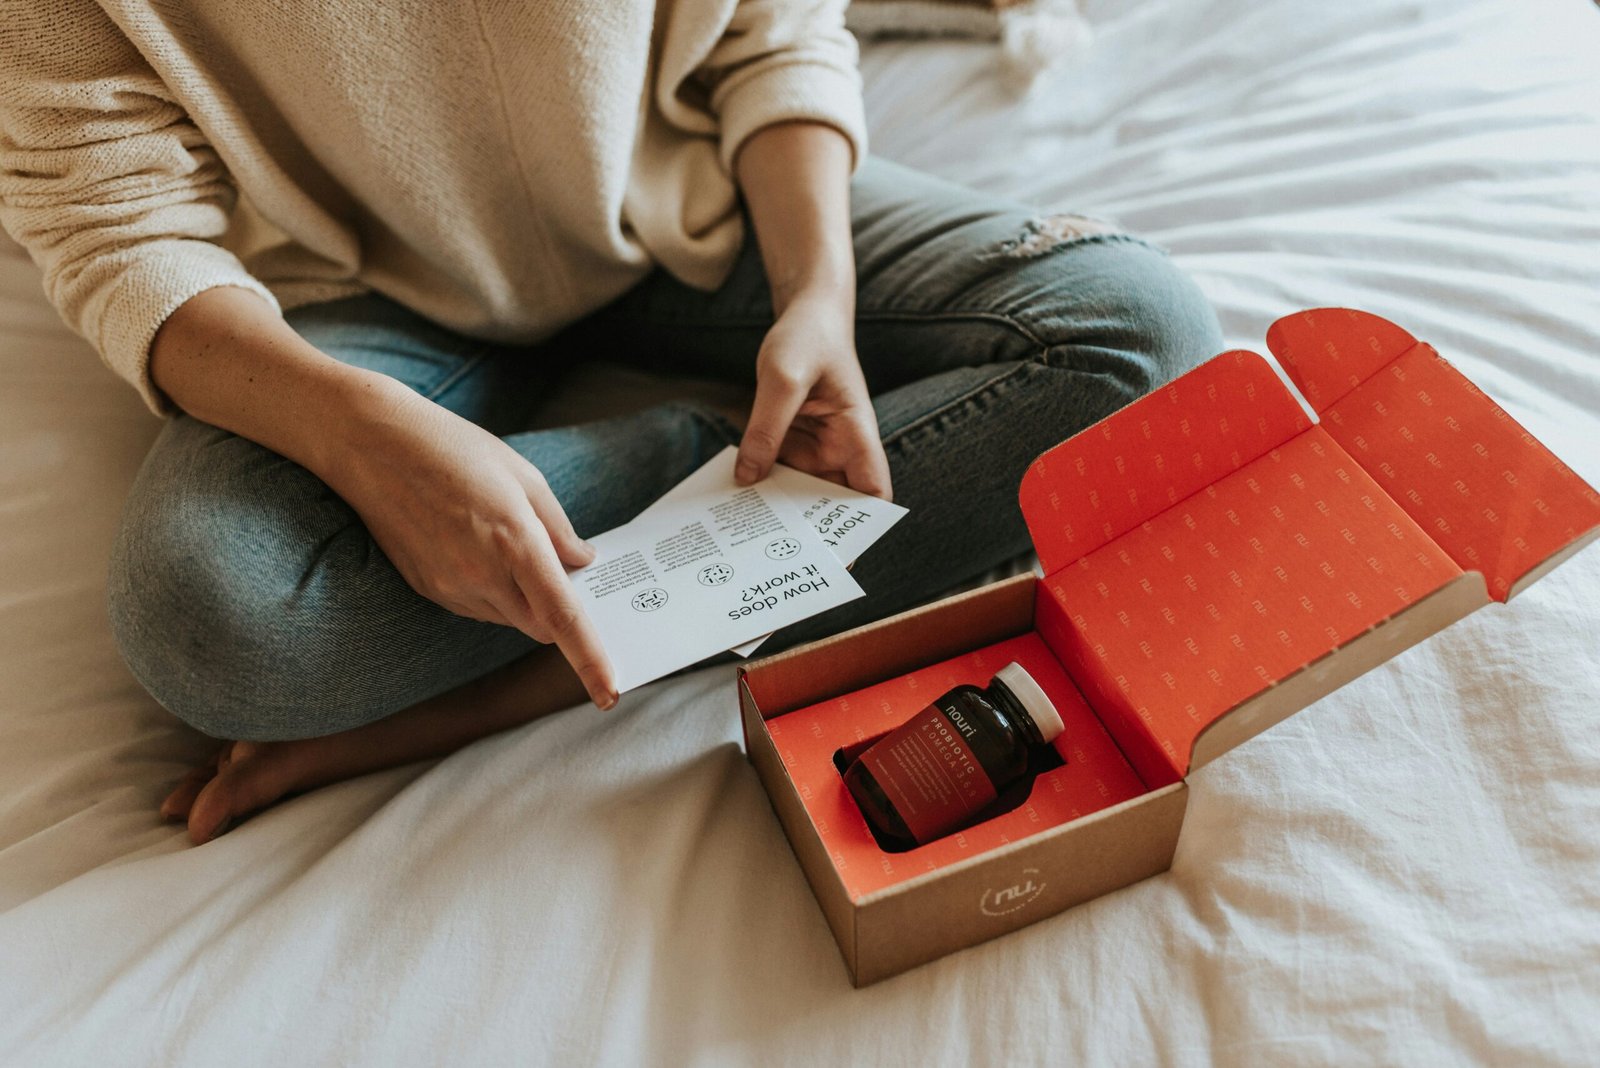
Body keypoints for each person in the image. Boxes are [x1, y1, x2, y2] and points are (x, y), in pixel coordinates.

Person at [0, 1, 1222, 845]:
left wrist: (817, 302)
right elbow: (113, 225)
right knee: (210, 625)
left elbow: (772, 26)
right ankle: (713, 464)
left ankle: (507, 684)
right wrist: (363, 435)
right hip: (339, 295)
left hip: (684, 201)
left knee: (1143, 339)